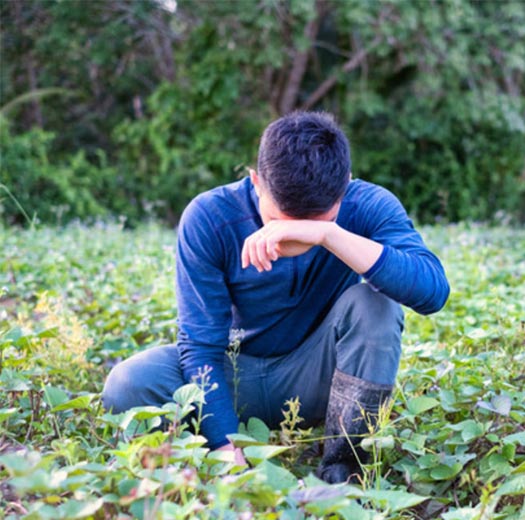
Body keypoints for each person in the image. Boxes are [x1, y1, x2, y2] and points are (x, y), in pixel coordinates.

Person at [102, 111, 450, 483]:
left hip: (318, 376)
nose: (291, 236)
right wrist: (225, 448)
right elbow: (200, 347)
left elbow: (432, 291)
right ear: (256, 180)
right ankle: (185, 462)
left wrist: (330, 235)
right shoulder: (210, 216)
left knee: (375, 304)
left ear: (345, 186)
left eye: (311, 222)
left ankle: (342, 468)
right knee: (128, 382)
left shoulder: (366, 204)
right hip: (235, 372)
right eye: (280, 218)